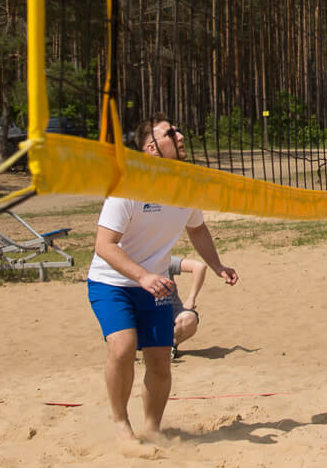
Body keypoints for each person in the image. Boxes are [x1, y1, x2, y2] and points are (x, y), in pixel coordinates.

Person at [87, 116, 239, 441]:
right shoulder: (128, 187)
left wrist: (217, 265)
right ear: (151, 148)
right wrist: (142, 275)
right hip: (112, 282)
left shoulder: (186, 186)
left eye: (178, 130)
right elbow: (104, 245)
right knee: (123, 348)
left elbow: (197, 229)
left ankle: (153, 430)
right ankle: (121, 425)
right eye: (170, 133)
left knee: (159, 361)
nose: (180, 135)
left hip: (154, 285)